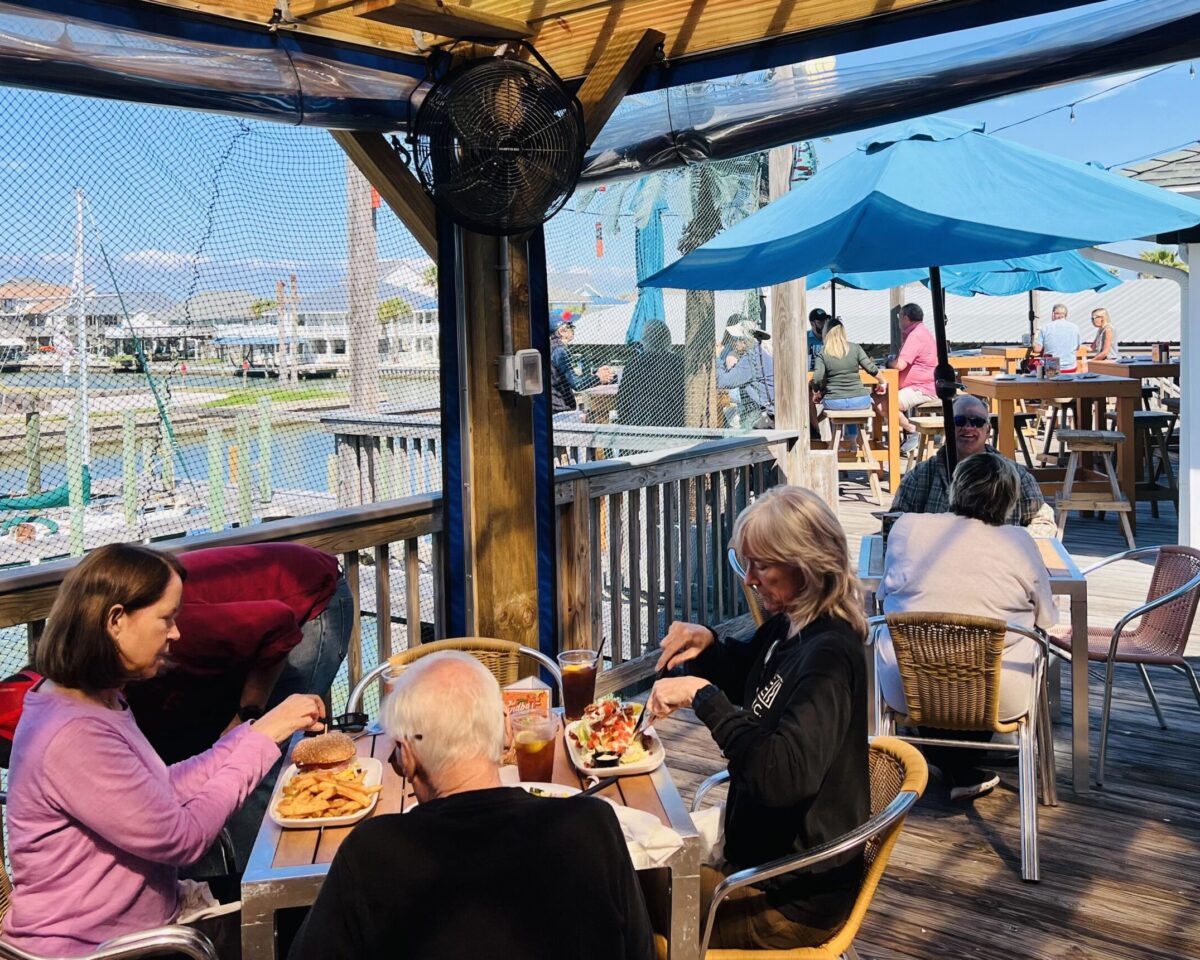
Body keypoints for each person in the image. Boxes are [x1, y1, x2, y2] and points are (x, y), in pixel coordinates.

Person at [2, 544, 325, 958]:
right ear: (115, 620)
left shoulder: (97, 699)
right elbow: (181, 838)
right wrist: (262, 743)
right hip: (97, 949)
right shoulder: (71, 733)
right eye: (166, 618)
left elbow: (163, 787)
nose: (176, 632)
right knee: (314, 922)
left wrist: (257, 731)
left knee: (315, 905)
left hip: (147, 922)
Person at [289, 652, 653, 960]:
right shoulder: (592, 824)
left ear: (408, 754)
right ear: (507, 733)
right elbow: (642, 951)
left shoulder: (369, 852)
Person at [646, 486, 868, 950]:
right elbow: (751, 671)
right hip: (752, 862)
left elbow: (781, 776)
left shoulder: (829, 654)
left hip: (787, 898)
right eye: (747, 564)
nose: (749, 579)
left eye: (761, 566)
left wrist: (702, 695)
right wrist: (706, 644)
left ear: (806, 565)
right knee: (622, 878)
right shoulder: (788, 626)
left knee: (623, 904)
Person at [876, 451, 1057, 799]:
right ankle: (959, 765)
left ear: (955, 489)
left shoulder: (907, 527)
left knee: (906, 645)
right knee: (1021, 649)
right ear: (1008, 498)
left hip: (906, 687)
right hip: (996, 696)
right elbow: (1046, 618)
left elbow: (884, 595)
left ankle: (942, 759)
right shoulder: (1019, 540)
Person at [890, 394, 1054, 535]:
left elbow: (1043, 522)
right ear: (948, 426)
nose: (968, 428)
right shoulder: (923, 473)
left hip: (998, 563)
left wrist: (1015, 543)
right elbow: (895, 520)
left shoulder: (1017, 474)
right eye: (960, 421)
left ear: (988, 429)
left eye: (977, 422)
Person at [885, 303, 938, 455]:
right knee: (879, 399)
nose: (899, 320)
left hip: (923, 387)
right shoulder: (919, 332)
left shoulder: (916, 335)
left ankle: (912, 430)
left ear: (906, 318)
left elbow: (900, 365)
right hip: (917, 386)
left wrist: (888, 362)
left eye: (899, 316)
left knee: (888, 402)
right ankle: (909, 432)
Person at [616, 319, 684, 427]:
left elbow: (623, 401)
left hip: (639, 424)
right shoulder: (680, 363)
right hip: (674, 423)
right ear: (668, 339)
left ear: (645, 340)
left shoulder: (634, 364)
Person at [717, 315, 776, 429]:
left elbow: (722, 382)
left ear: (744, 341)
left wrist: (717, 358)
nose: (732, 342)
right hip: (767, 411)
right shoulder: (757, 353)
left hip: (768, 415)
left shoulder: (751, 359)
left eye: (735, 339)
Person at [550, 317, 614, 418]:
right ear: (562, 331)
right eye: (571, 326)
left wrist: (594, 374)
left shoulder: (550, 347)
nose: (573, 329)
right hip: (560, 411)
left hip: (553, 408)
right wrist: (598, 378)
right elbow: (577, 384)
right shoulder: (559, 351)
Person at [811, 318, 877, 412]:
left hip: (834, 401)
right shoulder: (856, 348)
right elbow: (871, 368)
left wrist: (816, 391)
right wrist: (882, 381)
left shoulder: (823, 352)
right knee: (854, 408)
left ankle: (835, 426)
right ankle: (853, 427)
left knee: (832, 408)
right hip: (859, 400)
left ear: (826, 333)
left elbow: (817, 377)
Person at [1032, 302, 1082, 373]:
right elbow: (1077, 348)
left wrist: (1035, 336)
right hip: (1071, 367)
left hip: (1052, 368)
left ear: (1053, 314)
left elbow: (1037, 349)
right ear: (1066, 315)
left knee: (1031, 366)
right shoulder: (1075, 327)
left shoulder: (1045, 328)